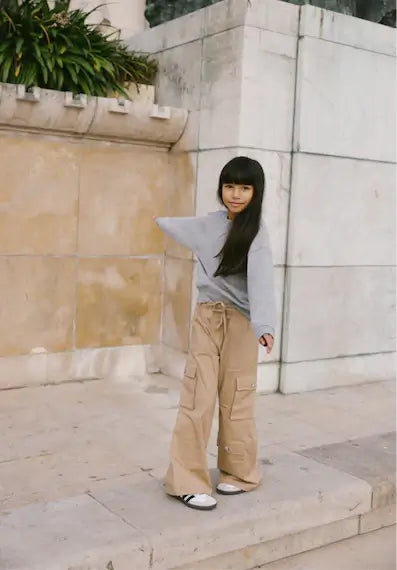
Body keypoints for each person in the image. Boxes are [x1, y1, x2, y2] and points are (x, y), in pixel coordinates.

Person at [155, 156, 276, 511]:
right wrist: (155, 217)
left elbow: (262, 282)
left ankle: (239, 473)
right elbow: (174, 225)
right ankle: (185, 481)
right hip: (207, 319)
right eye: (229, 186)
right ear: (221, 188)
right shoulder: (208, 225)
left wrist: (265, 327)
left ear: (256, 192)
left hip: (241, 323)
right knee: (198, 397)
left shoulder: (256, 232)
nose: (235, 194)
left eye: (244, 187)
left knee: (238, 399)